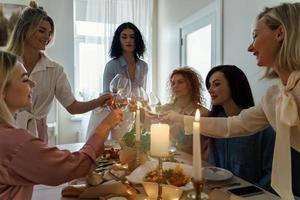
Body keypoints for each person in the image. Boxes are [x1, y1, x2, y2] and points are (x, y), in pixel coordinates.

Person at [161, 3, 300, 199]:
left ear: (280, 33)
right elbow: (234, 125)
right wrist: (180, 119)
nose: (250, 47)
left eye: (255, 35)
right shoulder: (274, 97)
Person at [0, 50, 123, 199]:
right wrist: (105, 126)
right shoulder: (15, 143)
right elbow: (76, 165)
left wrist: (98, 102)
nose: (33, 83)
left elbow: (72, 105)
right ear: (3, 90)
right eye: (25, 79)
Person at [6, 1, 111, 142]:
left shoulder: (55, 70)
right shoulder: (6, 64)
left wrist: (98, 101)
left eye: (49, 33)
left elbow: (73, 107)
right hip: (7, 131)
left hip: (38, 136)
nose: (47, 37)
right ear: (25, 30)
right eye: (41, 31)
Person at [205, 65, 275, 190]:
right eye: (209, 85)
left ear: (234, 85)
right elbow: (212, 167)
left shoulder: (262, 127)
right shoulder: (215, 123)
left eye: (216, 84)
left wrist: (246, 193)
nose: (210, 89)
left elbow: (272, 174)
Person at [159, 67, 209, 157]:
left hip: (192, 161)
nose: (175, 86)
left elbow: (206, 147)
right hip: (166, 158)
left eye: (180, 82)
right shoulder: (164, 109)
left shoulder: (203, 113)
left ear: (191, 85)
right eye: (173, 83)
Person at [103, 22, 148, 93]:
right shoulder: (111, 66)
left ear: (137, 40)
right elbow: (106, 95)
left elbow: (142, 93)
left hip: (137, 104)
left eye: (132, 37)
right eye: (124, 37)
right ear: (118, 40)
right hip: (116, 104)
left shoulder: (144, 66)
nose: (128, 40)